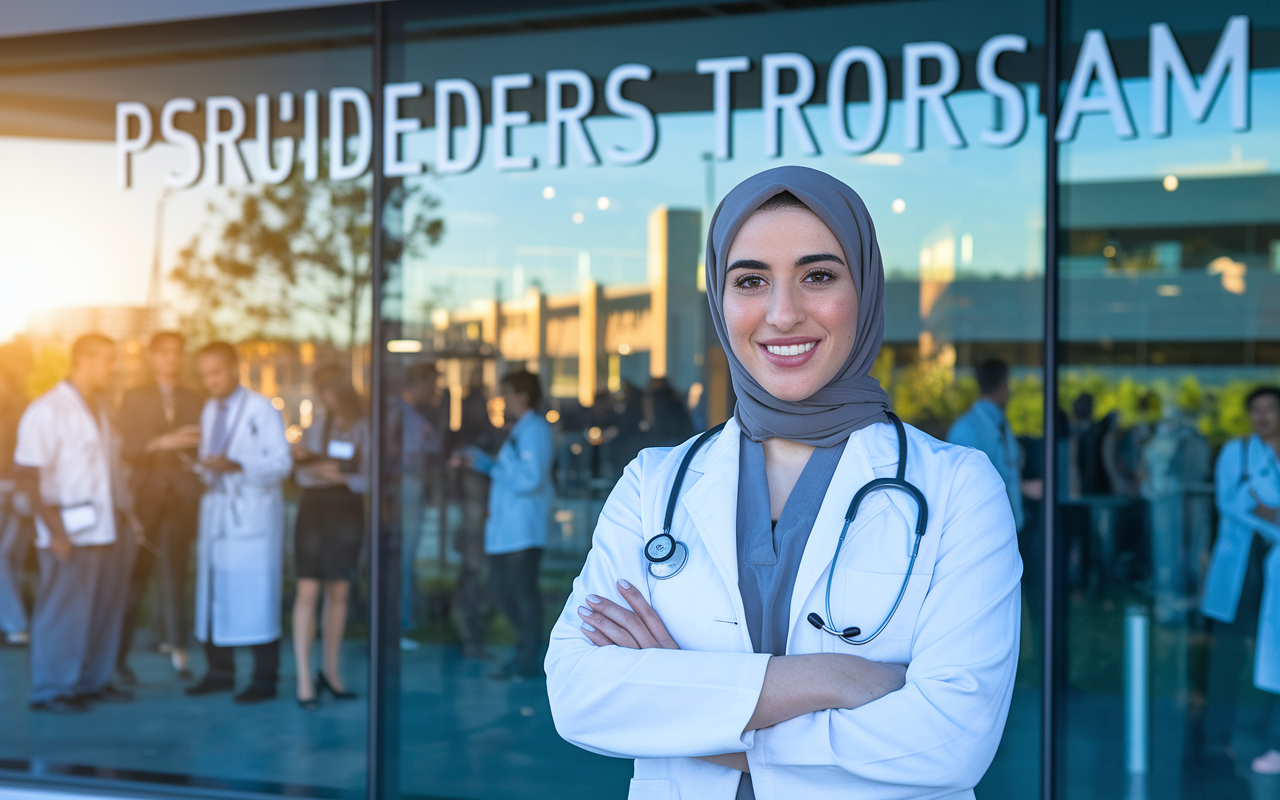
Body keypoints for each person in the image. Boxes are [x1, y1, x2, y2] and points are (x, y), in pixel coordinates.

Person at [546, 167, 1022, 799]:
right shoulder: (651, 486)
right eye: (750, 281)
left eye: (818, 276)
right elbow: (579, 695)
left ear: (865, 288)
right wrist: (831, 680)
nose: (783, 312)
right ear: (719, 299)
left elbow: (952, 741)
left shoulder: (959, 487)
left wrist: (688, 706)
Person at [14, 334, 138, 713]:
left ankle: (90, 682)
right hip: (67, 533)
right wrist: (55, 531)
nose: (114, 368)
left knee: (102, 611)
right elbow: (28, 476)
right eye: (107, 360)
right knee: (62, 611)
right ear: (82, 361)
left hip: (105, 530)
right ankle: (51, 689)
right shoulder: (48, 409)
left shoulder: (99, 409)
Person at [185, 342, 291, 704]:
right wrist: (203, 466)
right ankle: (220, 672)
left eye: (215, 373)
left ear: (234, 370)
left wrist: (237, 466)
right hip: (217, 510)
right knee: (214, 593)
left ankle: (264, 679)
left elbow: (281, 464)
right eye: (204, 375)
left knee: (257, 597)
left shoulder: (261, 409)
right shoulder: (209, 409)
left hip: (251, 514)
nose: (209, 381)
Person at [116, 331, 203, 684]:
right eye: (164, 352)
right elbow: (128, 448)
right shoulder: (134, 398)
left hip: (181, 493)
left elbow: (202, 442)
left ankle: (179, 652)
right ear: (152, 357)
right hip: (146, 494)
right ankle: (118, 657)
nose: (171, 358)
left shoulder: (193, 399)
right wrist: (160, 442)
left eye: (176, 352)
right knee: (134, 575)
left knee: (176, 574)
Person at [1202, 386, 1280, 773]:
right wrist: (1270, 519)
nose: (1262, 417)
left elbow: (1254, 502)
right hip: (1242, 565)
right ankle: (1217, 740)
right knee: (1229, 656)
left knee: (1274, 654)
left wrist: (1269, 513)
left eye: (1270, 409)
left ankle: (1269, 737)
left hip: (1275, 562)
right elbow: (1228, 503)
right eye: (1256, 410)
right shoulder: (1238, 451)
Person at [458, 369, 554, 679]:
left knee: (520, 593)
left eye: (508, 393)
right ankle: (526, 655)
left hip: (523, 530)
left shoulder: (535, 430)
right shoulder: (519, 431)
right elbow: (509, 471)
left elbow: (530, 479)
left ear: (524, 396)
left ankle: (529, 659)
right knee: (502, 589)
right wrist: (483, 462)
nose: (503, 400)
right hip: (508, 530)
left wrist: (500, 462)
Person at [290, 364, 369, 709]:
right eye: (321, 390)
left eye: (330, 389)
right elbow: (301, 475)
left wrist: (337, 477)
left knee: (339, 590)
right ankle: (304, 679)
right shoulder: (316, 426)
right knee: (307, 589)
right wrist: (321, 471)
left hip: (346, 510)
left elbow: (371, 478)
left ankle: (331, 672)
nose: (327, 397)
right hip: (314, 510)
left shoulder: (364, 428)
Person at [947, 358, 1043, 533]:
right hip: (982, 530)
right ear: (1002, 385)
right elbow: (968, 484)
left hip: (1007, 526)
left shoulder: (999, 423)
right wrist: (1022, 487)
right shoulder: (966, 429)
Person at [450, 369, 497, 659]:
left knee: (480, 581)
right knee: (474, 578)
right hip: (473, 519)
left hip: (481, 518)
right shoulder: (470, 441)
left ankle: (472, 638)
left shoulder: (483, 438)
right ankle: (470, 639)